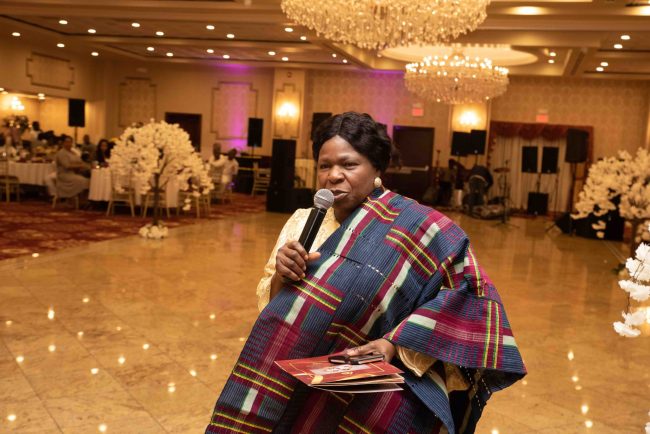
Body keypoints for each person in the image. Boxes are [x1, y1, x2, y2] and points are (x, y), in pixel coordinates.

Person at [206, 112, 526, 433]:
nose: (333, 176)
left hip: (375, 391)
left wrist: (392, 344)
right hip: (298, 378)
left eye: (348, 164)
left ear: (377, 168)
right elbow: (274, 309)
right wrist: (282, 276)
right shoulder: (302, 222)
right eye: (324, 165)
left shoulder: (416, 227)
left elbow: (467, 298)